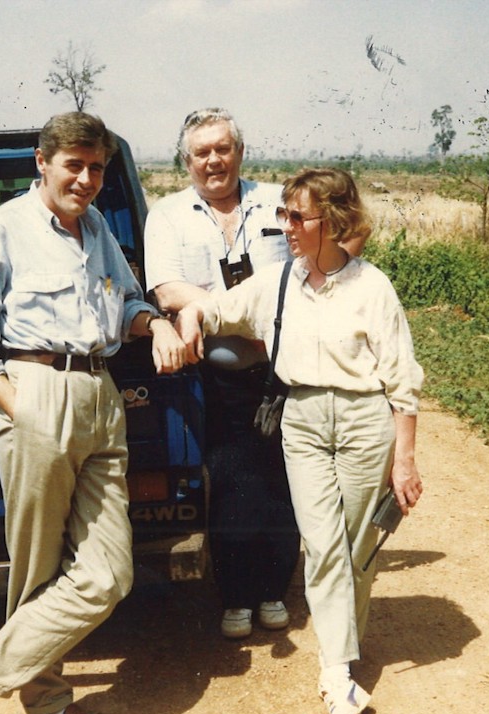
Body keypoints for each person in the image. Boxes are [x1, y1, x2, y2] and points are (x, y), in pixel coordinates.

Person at [0, 111, 187, 714]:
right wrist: (21, 409)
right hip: (36, 389)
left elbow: (128, 303)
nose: (86, 178)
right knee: (38, 568)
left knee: (109, 572)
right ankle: (47, 703)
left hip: (101, 395)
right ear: (42, 163)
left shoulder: (98, 228)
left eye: (97, 167)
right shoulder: (3, 231)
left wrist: (154, 326)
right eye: (73, 164)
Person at [174, 167, 423, 714]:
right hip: (302, 419)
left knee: (359, 546)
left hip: (365, 421)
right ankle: (337, 676)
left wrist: (404, 460)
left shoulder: (372, 287)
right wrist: (190, 315)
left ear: (333, 222)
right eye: (283, 214)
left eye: (298, 216)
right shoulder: (277, 282)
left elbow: (402, 383)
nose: (285, 226)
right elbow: (218, 310)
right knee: (322, 543)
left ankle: (343, 639)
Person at [145, 108, 363, 640]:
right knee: (229, 481)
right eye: (202, 152)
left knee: (285, 477)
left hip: (281, 370)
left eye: (223, 148)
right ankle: (236, 595)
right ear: (187, 160)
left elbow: (335, 245)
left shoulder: (277, 201)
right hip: (213, 377)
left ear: (240, 152)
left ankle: (273, 589)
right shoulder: (168, 215)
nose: (213, 160)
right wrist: (248, 312)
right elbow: (168, 291)